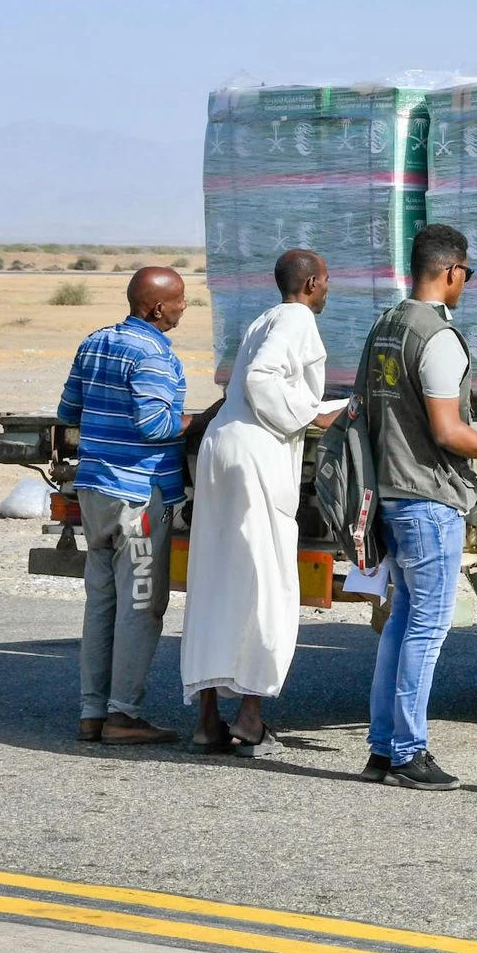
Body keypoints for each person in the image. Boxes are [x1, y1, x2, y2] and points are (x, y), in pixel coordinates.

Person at [360, 224, 477, 790]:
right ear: (452, 272)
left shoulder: (385, 327)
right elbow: (446, 430)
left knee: (402, 623)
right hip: (428, 499)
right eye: (467, 275)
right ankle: (409, 753)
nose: (465, 284)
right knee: (429, 627)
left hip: (392, 490)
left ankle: (383, 749)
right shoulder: (437, 337)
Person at [180, 250, 340, 756]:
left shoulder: (264, 319)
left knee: (214, 581)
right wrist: (312, 417)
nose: (328, 290)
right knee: (263, 583)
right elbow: (261, 379)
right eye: (327, 281)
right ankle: (249, 719)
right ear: (311, 283)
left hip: (223, 448)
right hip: (254, 454)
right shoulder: (296, 318)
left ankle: (208, 719)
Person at [58, 267, 191, 746]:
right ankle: (123, 716)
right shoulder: (153, 354)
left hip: (94, 489)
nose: (183, 308)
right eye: (179, 301)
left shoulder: (95, 342)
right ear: (156, 308)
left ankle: (92, 713)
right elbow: (156, 426)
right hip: (138, 496)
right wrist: (202, 420)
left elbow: (68, 411)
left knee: (102, 604)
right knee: (141, 605)